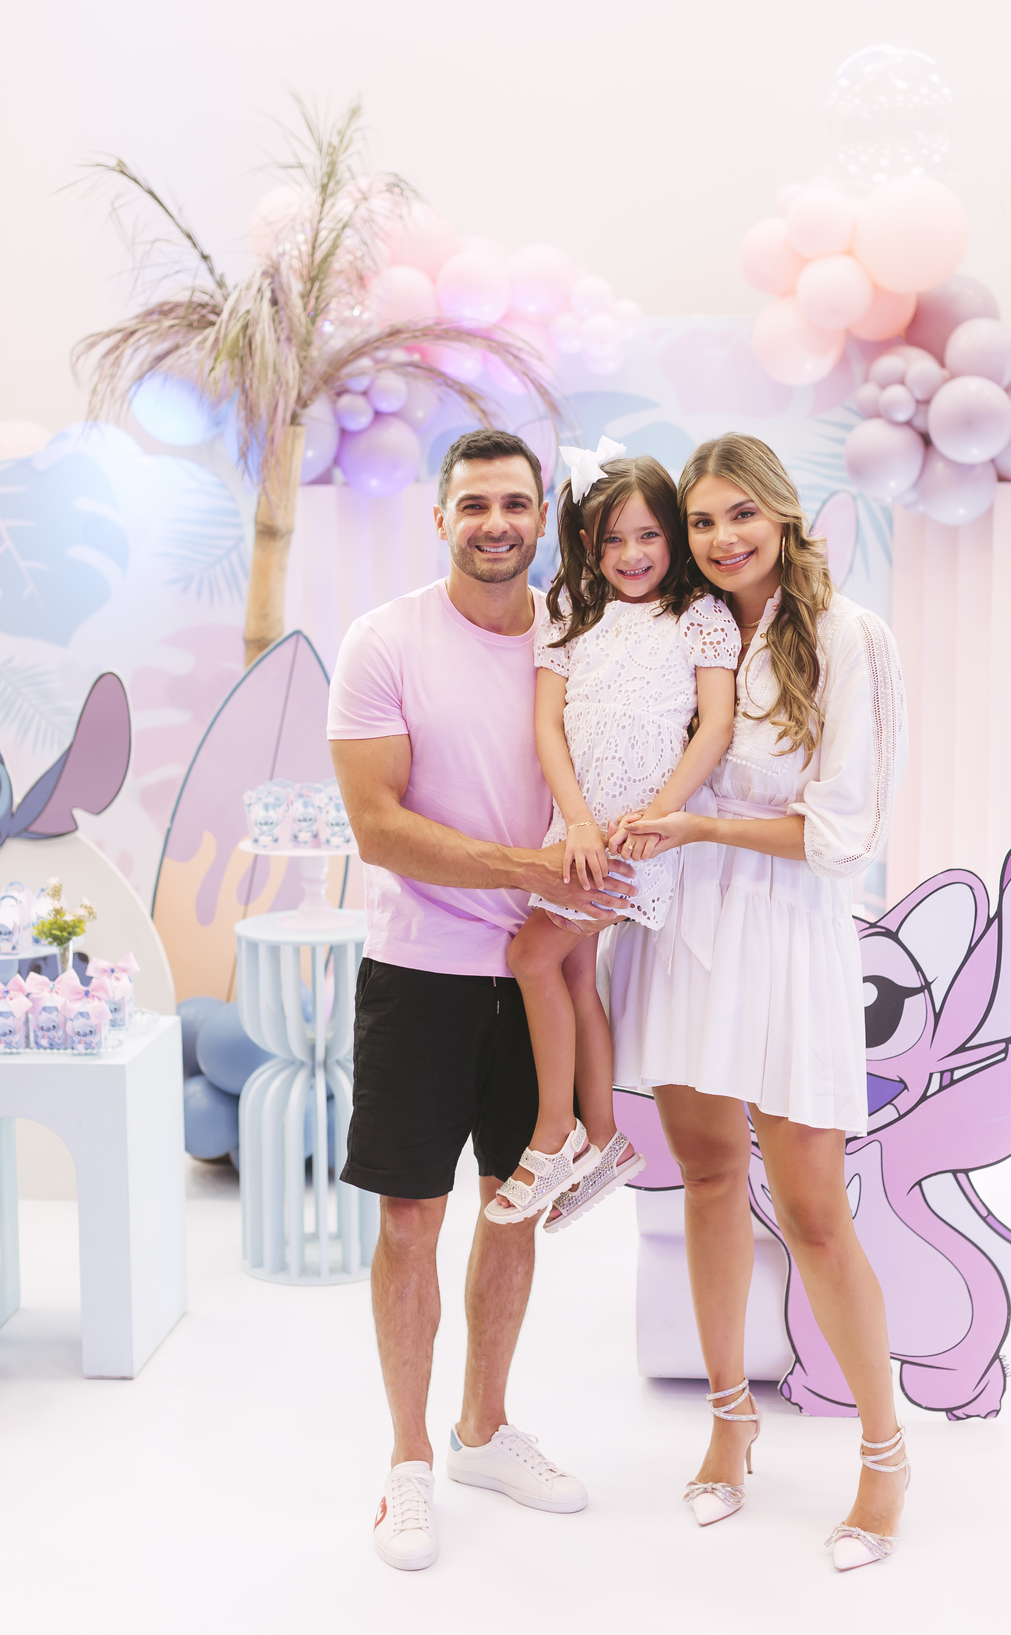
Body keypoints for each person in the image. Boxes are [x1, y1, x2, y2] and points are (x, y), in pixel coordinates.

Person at [327, 429, 633, 1574]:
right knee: (411, 1220)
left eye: (514, 502)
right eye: (474, 504)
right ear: (440, 519)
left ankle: (483, 1431)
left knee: (514, 1208)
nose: (495, 522)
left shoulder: (580, 637)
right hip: (420, 970)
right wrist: (526, 868)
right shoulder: (384, 641)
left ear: (541, 514)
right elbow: (379, 827)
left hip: (540, 973)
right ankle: (409, 1460)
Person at [605, 433, 910, 1572]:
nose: (722, 538)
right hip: (686, 926)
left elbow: (844, 833)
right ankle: (730, 1419)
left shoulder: (845, 636)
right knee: (706, 1177)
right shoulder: (677, 632)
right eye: (701, 521)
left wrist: (697, 824)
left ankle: (884, 1453)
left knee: (815, 1208)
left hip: (784, 933)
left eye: (741, 514)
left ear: (782, 514)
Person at [487, 444, 739, 1230]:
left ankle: (553, 1133)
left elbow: (715, 727)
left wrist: (661, 814)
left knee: (531, 956)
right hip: (578, 834)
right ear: (586, 544)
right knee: (568, 972)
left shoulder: (699, 617)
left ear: (673, 535)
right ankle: (603, 1139)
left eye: (648, 535)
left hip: (640, 841)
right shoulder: (570, 612)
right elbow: (547, 728)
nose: (631, 555)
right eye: (611, 540)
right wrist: (577, 822)